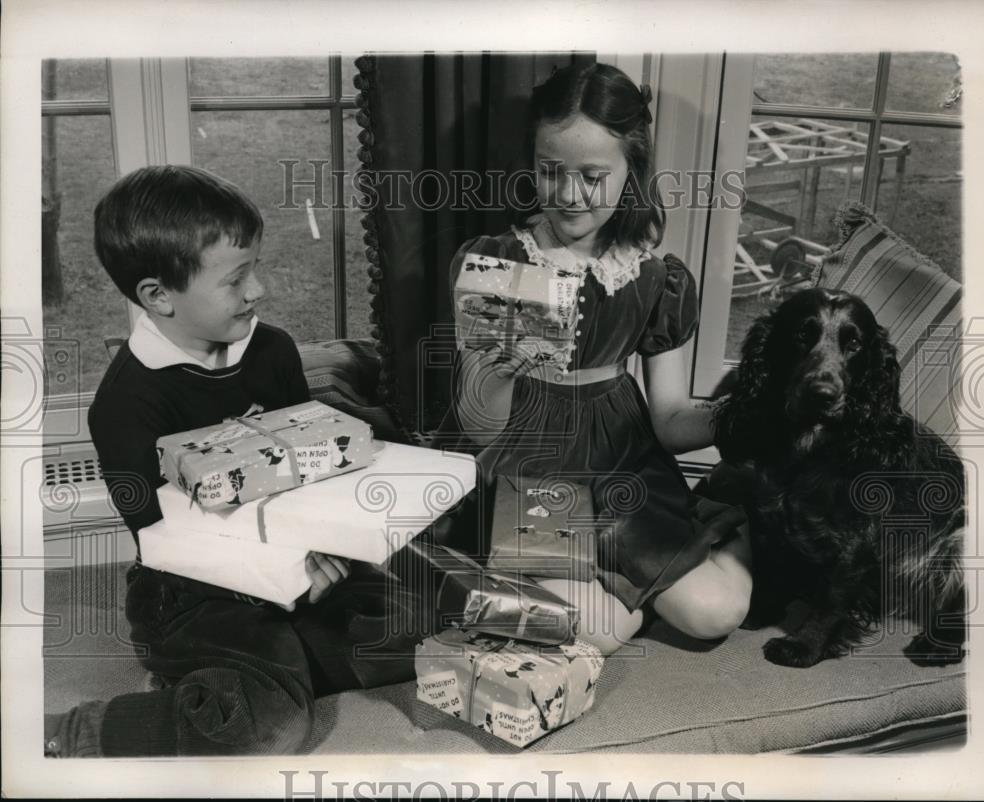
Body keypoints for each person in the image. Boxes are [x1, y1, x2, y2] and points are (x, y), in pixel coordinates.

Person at [45, 165, 418, 757]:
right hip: (194, 588)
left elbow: (309, 469)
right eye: (236, 278)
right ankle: (82, 731)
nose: (258, 291)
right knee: (269, 729)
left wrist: (316, 551)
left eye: (257, 269)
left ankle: (258, 670)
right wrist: (283, 570)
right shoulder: (126, 402)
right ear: (158, 296)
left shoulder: (272, 350)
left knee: (418, 623)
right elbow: (163, 536)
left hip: (293, 556)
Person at [441, 63, 753, 654]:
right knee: (585, 631)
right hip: (529, 467)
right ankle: (616, 603)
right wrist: (499, 378)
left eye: (592, 175)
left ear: (631, 171)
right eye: (549, 171)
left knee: (715, 614)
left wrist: (741, 412)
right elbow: (476, 426)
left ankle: (739, 518)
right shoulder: (495, 264)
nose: (568, 194)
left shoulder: (656, 278)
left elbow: (670, 422)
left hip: (624, 469)